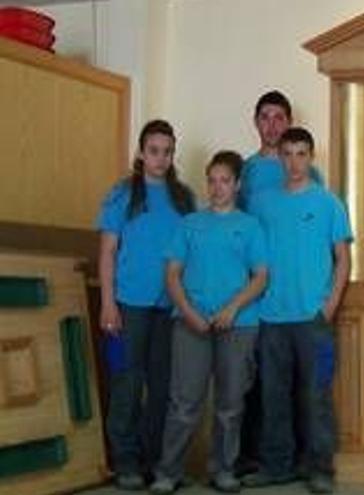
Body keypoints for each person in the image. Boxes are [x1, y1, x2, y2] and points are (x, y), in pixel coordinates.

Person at [149, 151, 267, 494]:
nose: (217, 188)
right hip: (190, 323)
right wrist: (188, 312)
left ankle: (223, 470)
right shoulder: (190, 225)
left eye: (225, 181)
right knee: (184, 404)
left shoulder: (250, 226)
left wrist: (232, 309)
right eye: (212, 180)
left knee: (230, 405)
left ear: (237, 184)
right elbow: (172, 274)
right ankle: (168, 472)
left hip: (239, 324)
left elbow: (260, 276)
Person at [244, 127, 352, 494]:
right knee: (273, 396)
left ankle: (320, 468)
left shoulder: (329, 204)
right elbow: (246, 251)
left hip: (313, 319)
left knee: (316, 396)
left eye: (301, 154)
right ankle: (277, 466)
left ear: (311, 157)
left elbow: (342, 258)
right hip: (271, 316)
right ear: (280, 158)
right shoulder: (260, 202)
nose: (293, 162)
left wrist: (331, 303)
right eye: (287, 154)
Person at [97, 119, 196, 490]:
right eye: (153, 151)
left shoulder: (184, 198)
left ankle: (157, 463)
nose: (160, 158)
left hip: (169, 309)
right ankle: (126, 462)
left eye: (167, 151)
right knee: (126, 382)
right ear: (141, 153)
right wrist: (108, 303)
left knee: (162, 388)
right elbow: (107, 251)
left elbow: (192, 251)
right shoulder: (122, 194)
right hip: (127, 305)